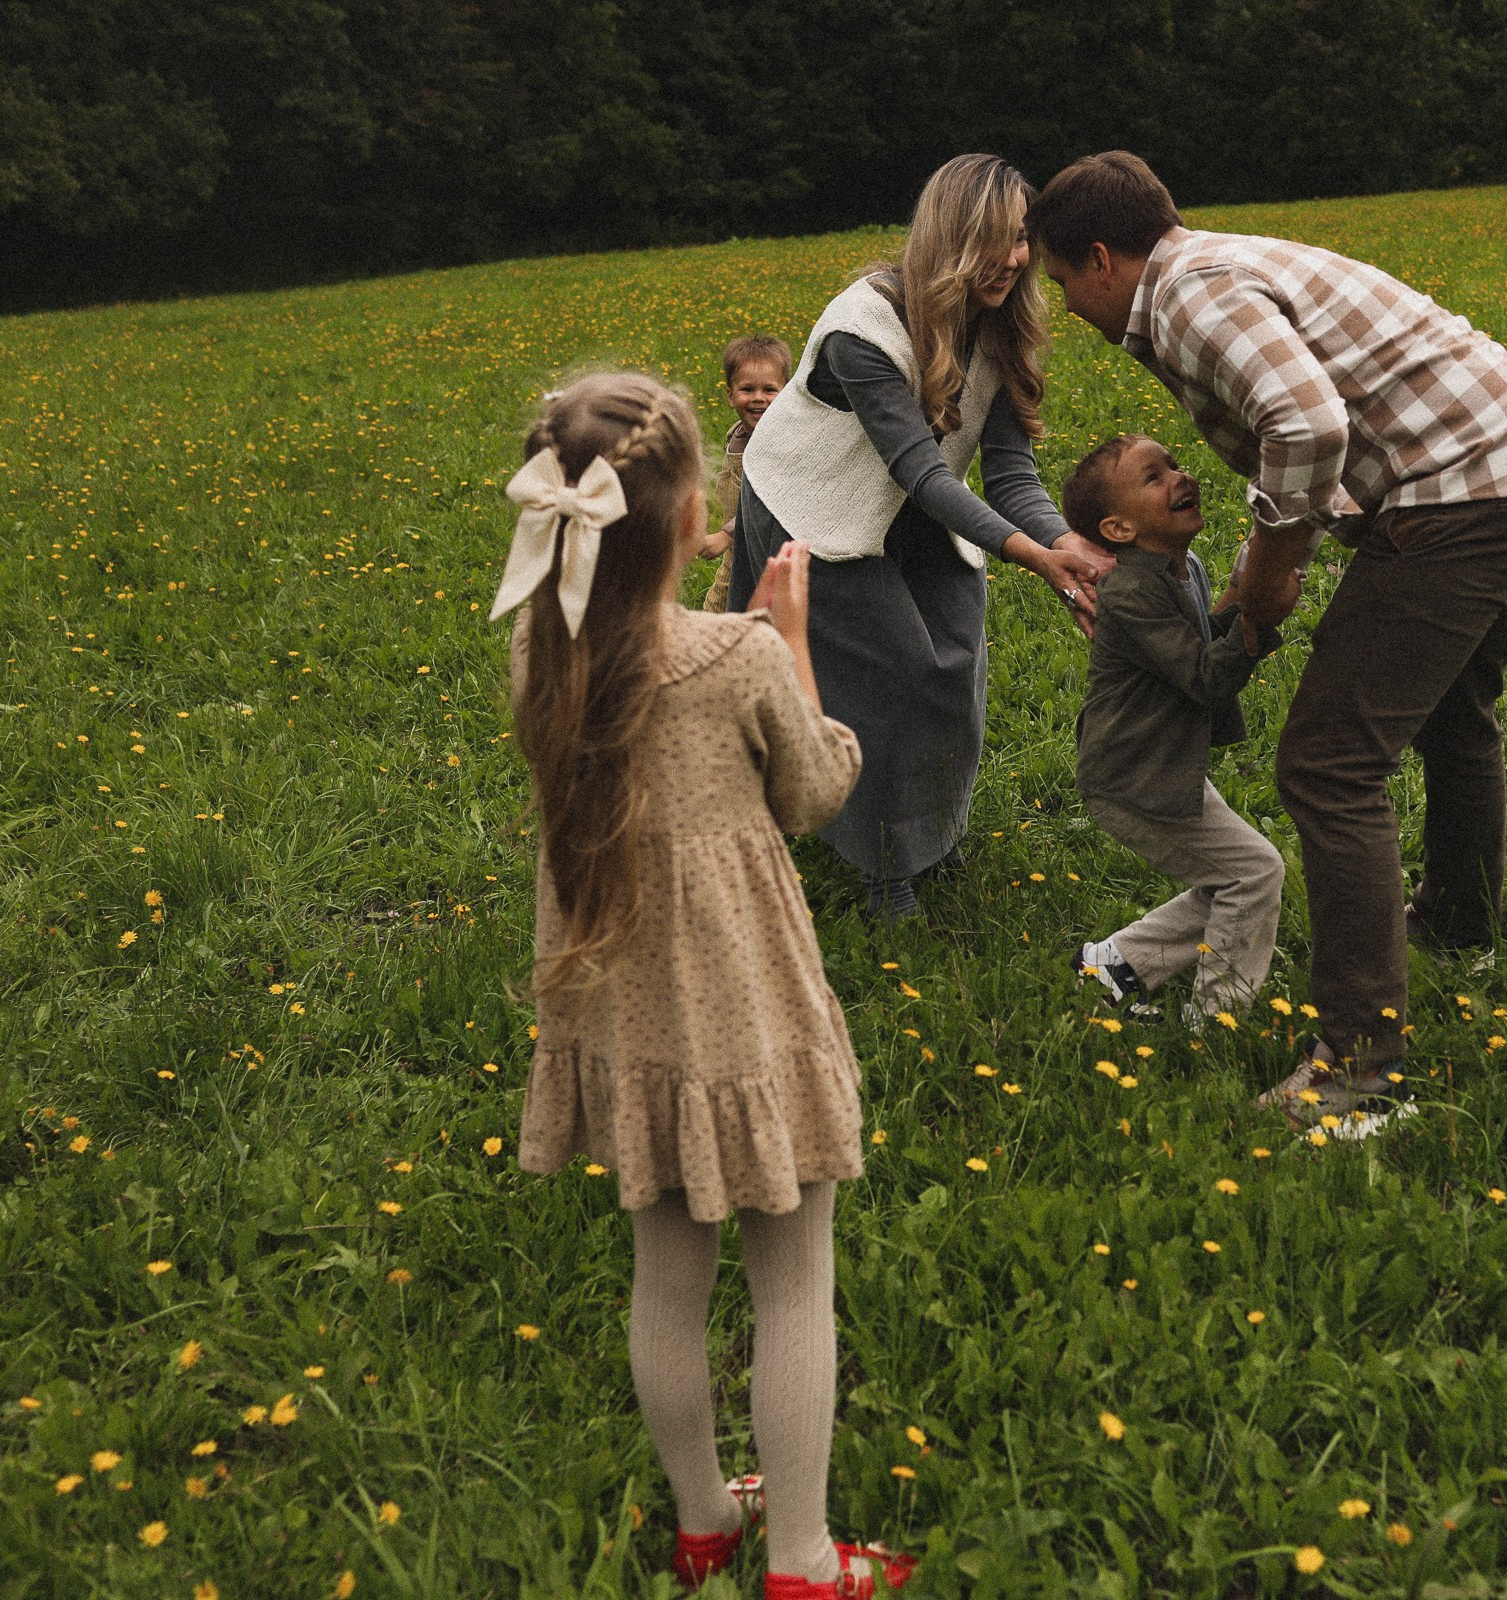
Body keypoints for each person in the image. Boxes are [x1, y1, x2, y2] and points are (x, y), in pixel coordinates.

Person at [1029, 151, 1507, 1128]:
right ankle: (1459, 924)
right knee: (1456, 711)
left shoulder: (1192, 301)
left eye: (1063, 281)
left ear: (1104, 260)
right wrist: (1259, 550)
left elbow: (1304, 421)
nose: (1068, 305)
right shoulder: (1211, 272)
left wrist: (1278, 565)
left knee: (1329, 763)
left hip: (1468, 496)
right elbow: (1298, 430)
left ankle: (1361, 1076)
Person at [496, 372, 910, 1598]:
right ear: (690, 519)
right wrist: (789, 642)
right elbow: (817, 792)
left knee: (665, 1277)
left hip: (625, 1015)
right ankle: (802, 1560)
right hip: (743, 1006)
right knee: (794, 1277)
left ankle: (702, 1522)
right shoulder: (733, 656)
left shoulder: (539, 642)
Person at [735, 153, 1112, 920]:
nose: (1015, 259)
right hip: (813, 506)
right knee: (894, 667)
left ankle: (924, 831)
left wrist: (1065, 545)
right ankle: (879, 864)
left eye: (1022, 240)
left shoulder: (1002, 325)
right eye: (996, 239)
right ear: (952, 236)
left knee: (955, 651)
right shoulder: (862, 327)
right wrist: (1034, 556)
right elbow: (921, 472)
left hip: (908, 505)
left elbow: (1008, 477)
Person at [1061, 434, 1283, 1023]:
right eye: (1153, 477)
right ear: (1119, 530)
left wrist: (1240, 594)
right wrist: (1256, 624)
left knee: (1231, 877)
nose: (1179, 477)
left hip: (1161, 767)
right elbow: (1202, 676)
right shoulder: (1131, 591)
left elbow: (1198, 638)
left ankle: (1116, 966)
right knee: (1253, 873)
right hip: (1134, 775)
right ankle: (1216, 1018)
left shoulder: (1180, 568)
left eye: (1175, 464)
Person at [698, 334, 791, 613]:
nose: (758, 399)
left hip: (764, 551)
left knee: (729, 612)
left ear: (786, 393)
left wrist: (726, 535)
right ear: (730, 395)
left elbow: (769, 501)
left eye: (769, 390)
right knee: (717, 609)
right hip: (738, 550)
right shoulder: (736, 434)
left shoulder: (777, 443)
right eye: (747, 389)